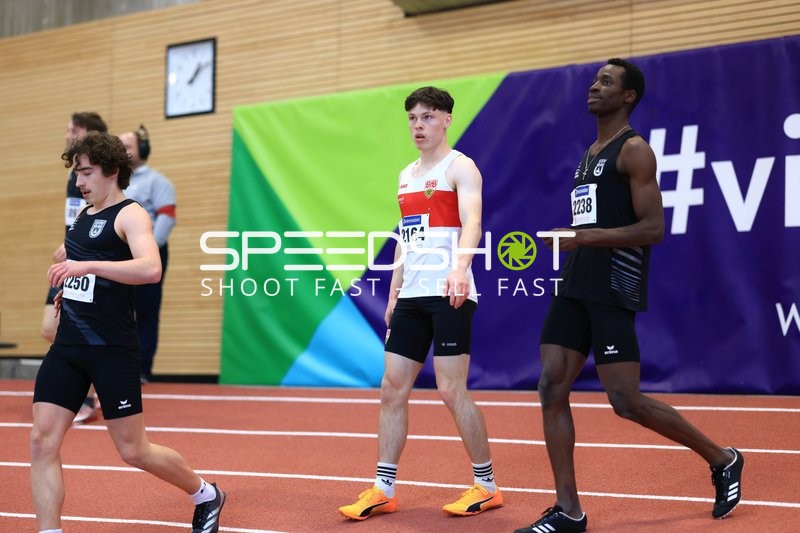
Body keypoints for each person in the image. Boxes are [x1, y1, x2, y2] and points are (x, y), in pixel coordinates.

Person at [513, 59, 744, 533]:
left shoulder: (634, 151)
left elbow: (653, 229)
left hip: (613, 284)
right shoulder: (589, 151)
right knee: (551, 386)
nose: (594, 86)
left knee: (625, 400)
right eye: (594, 80)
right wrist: (574, 243)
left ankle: (722, 458)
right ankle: (569, 511)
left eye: (607, 82)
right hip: (576, 282)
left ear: (628, 96)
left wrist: (581, 238)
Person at [30, 132, 225, 533]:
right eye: (76, 173)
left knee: (134, 450)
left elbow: (150, 269)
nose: (79, 182)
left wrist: (87, 269)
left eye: (86, 173)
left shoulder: (131, 214)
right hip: (69, 347)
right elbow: (85, 273)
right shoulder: (82, 217)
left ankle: (205, 493)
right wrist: (69, 293)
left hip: (112, 349)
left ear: (112, 171)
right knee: (40, 442)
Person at [338, 86, 502, 520]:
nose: (418, 125)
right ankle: (383, 488)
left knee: (451, 390)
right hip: (411, 295)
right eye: (412, 118)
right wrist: (393, 294)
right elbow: (406, 237)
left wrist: (458, 269)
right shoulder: (406, 174)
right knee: (392, 388)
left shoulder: (460, 167)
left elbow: (474, 223)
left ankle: (486, 485)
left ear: (447, 119)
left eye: (428, 117)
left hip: (451, 292)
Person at [41, 111, 108, 424]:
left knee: (76, 328)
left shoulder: (103, 176)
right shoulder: (73, 176)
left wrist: (76, 246)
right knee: (49, 328)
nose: (67, 134)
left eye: (73, 129)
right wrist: (67, 241)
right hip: (71, 257)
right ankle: (88, 389)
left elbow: (100, 212)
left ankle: (86, 396)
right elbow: (77, 216)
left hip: (86, 261)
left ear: (89, 134)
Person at [118, 125, 177, 383]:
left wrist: (149, 249)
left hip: (147, 254)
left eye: (128, 146)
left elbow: (166, 217)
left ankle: (141, 369)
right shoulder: (114, 181)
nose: (123, 151)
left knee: (145, 311)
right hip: (117, 256)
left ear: (142, 150)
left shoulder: (158, 182)